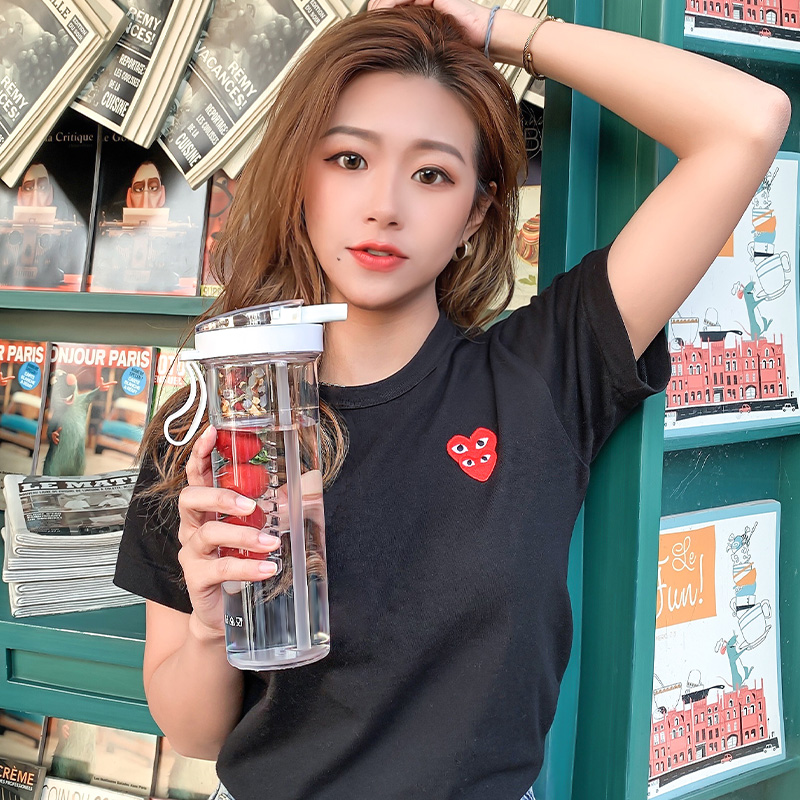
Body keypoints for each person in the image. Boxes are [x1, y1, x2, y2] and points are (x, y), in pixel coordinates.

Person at [112, 4, 790, 799]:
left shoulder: (542, 376)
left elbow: (746, 121)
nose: (385, 205)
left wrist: (496, 29)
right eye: (348, 159)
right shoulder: (217, 426)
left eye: (431, 173)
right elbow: (194, 734)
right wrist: (207, 624)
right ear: (300, 179)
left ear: (475, 213)